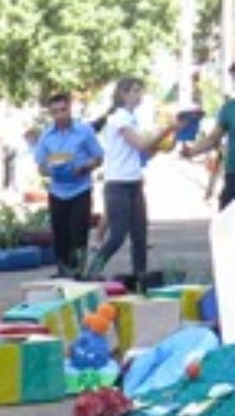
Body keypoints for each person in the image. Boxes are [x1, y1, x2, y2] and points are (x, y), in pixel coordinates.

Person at [86, 77, 176, 282]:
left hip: (133, 182)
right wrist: (167, 130)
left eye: (140, 91)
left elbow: (142, 153)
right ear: (123, 94)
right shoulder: (119, 118)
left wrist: (164, 144)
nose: (139, 95)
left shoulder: (131, 118)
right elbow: (141, 145)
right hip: (118, 183)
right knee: (118, 235)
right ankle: (92, 270)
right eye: (135, 91)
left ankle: (140, 275)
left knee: (140, 234)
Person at [33, 92, 104, 278]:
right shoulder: (46, 136)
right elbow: (41, 166)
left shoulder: (84, 131)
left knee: (78, 233)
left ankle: (78, 272)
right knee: (60, 233)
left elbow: (98, 157)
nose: (60, 115)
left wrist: (85, 166)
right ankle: (62, 271)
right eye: (55, 112)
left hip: (80, 188)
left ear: (69, 109)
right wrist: (52, 170)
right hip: (58, 190)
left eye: (63, 110)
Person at [180, 62, 235, 210]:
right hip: (233, 175)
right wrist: (191, 151)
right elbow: (212, 139)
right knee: (227, 222)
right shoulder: (229, 109)